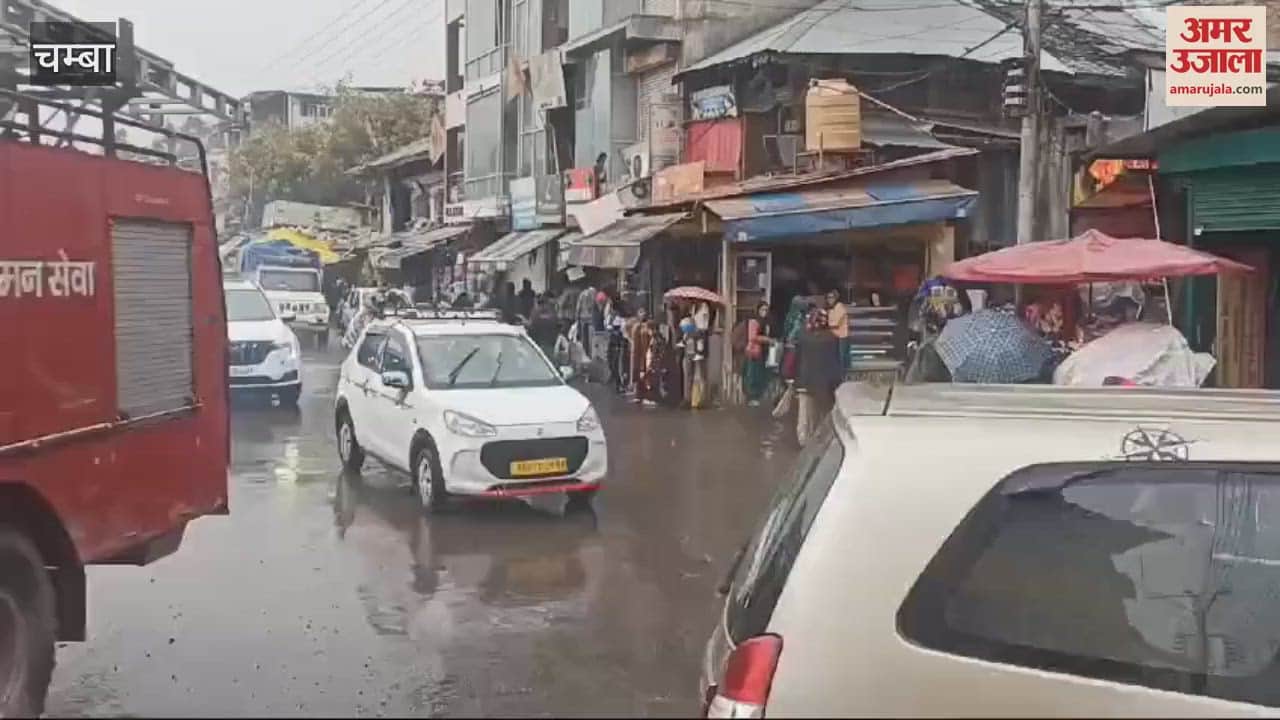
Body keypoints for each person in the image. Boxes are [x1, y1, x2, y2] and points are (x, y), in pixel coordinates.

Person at [795, 306, 843, 445]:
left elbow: (797, 358)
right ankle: (819, 443)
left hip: (805, 381)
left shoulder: (803, 335)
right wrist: (836, 383)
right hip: (824, 384)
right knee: (822, 414)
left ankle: (803, 442)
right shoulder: (832, 338)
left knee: (804, 416)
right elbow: (835, 362)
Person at [742, 301, 775, 407]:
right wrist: (768, 339)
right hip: (753, 351)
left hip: (761, 352)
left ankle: (755, 397)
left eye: (766, 310)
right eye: (762, 310)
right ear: (758, 310)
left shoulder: (765, 322)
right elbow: (752, 337)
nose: (764, 312)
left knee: (759, 375)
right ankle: (751, 398)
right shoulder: (754, 321)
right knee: (752, 375)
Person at [825, 288, 849, 372]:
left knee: (840, 358)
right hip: (832, 337)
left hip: (841, 337)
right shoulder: (829, 308)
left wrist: (824, 324)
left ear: (835, 298)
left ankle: (842, 376)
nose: (829, 299)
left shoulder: (840, 307)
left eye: (831, 297)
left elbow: (835, 324)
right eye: (828, 297)